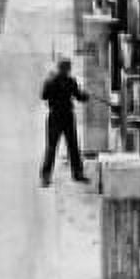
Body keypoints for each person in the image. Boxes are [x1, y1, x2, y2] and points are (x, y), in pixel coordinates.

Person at [39, 58, 90, 186]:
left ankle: (46, 177)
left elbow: (43, 96)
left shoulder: (52, 81)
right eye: (67, 68)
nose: (67, 70)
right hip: (65, 116)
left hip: (56, 116)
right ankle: (77, 174)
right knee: (70, 146)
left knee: (54, 147)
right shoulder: (70, 81)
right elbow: (80, 97)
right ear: (67, 69)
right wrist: (86, 95)